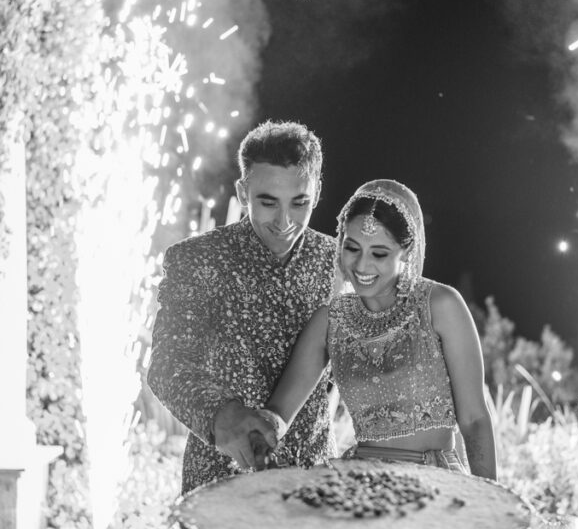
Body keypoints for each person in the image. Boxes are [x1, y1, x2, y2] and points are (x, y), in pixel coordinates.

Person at [229, 179, 497, 479]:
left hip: (434, 483)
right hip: (362, 486)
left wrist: (490, 508)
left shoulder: (440, 306)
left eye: (379, 253)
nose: (362, 265)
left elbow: (474, 419)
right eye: (352, 248)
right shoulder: (330, 321)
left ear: (405, 250)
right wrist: (255, 429)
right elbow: (279, 413)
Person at [147, 120, 339, 493]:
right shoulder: (196, 259)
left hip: (313, 483)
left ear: (317, 193)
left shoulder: (340, 263)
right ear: (243, 190)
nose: (284, 222)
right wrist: (221, 414)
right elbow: (167, 365)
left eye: (299, 203)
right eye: (268, 202)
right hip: (219, 482)